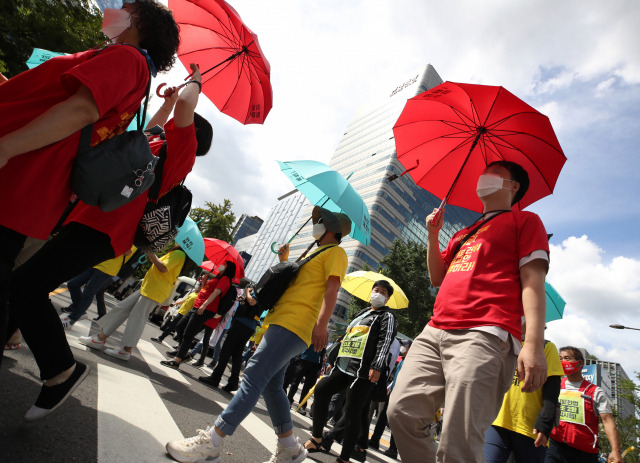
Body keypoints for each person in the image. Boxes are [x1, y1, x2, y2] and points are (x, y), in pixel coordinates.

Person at [0, 0, 180, 414]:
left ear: (140, 23)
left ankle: (59, 367)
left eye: (127, 7)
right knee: (20, 282)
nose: (114, 8)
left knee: (23, 283)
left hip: (26, 173)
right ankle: (56, 368)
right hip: (35, 182)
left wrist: (6, 146)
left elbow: (81, 109)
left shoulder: (128, 59)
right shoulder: (132, 68)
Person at [388, 160, 550, 463]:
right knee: (401, 412)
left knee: (458, 441)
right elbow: (438, 277)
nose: (485, 177)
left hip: (486, 332)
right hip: (434, 330)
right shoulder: (463, 232)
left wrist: (534, 344)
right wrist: (433, 235)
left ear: (513, 187)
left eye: (496, 173)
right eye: (485, 171)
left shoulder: (525, 221)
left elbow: (533, 280)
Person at [165, 206, 350, 463]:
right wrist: (284, 261)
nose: (314, 224)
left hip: (294, 324)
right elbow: (292, 286)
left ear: (329, 227)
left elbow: (332, 290)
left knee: (253, 376)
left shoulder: (336, 253)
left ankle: (213, 441)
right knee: (272, 386)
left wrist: (322, 325)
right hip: (282, 321)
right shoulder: (318, 252)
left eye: (318, 221)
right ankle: (290, 448)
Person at [305, 280, 398, 463]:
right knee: (322, 389)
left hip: (363, 371)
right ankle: (317, 438)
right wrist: (335, 359)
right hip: (343, 365)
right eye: (376, 290)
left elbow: (385, 341)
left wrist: (377, 366)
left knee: (352, 412)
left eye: (383, 292)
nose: (378, 294)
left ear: (387, 299)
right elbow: (348, 336)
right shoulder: (363, 312)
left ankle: (345, 458)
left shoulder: (387, 316)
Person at [78, 246, 186, 360]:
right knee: (121, 308)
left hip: (153, 290)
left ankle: (125, 350)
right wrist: (152, 257)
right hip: (148, 288)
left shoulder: (179, 253)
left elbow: (163, 268)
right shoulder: (177, 254)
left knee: (137, 319)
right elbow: (162, 267)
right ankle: (100, 339)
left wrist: (152, 254)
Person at [484, 321, 564, 463]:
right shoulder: (504, 343)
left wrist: (545, 424)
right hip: (496, 420)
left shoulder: (547, 348)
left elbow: (552, 392)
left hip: (531, 428)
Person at [545, 347, 623, 463]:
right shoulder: (556, 385)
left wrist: (615, 451)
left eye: (567, 358)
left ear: (579, 363)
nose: (562, 362)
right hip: (555, 446)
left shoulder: (596, 392)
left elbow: (608, 421)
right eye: (560, 359)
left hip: (585, 453)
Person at [160, 261, 236, 370]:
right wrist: (204, 281)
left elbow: (215, 293)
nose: (221, 266)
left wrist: (204, 305)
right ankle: (184, 353)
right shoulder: (218, 277)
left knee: (188, 333)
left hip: (206, 308)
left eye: (224, 264)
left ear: (228, 268)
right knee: (180, 327)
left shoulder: (225, 279)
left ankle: (177, 360)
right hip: (197, 306)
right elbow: (205, 290)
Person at [199, 286, 261, 391]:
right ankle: (233, 382)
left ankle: (215, 378)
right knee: (237, 354)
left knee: (226, 351)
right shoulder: (270, 294)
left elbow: (252, 302)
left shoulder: (261, 290)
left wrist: (246, 291)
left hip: (241, 324)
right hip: (250, 326)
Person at [59, 247, 137, 326]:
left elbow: (127, 252)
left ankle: (72, 319)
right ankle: (79, 310)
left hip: (108, 268)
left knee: (88, 292)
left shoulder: (134, 242)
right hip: (97, 263)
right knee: (72, 284)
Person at [284, 344, 325, 415]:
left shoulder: (324, 334)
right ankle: (289, 400)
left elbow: (323, 351)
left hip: (315, 363)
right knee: (295, 382)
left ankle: (302, 405)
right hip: (303, 359)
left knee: (307, 387)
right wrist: (298, 357)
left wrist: (320, 366)